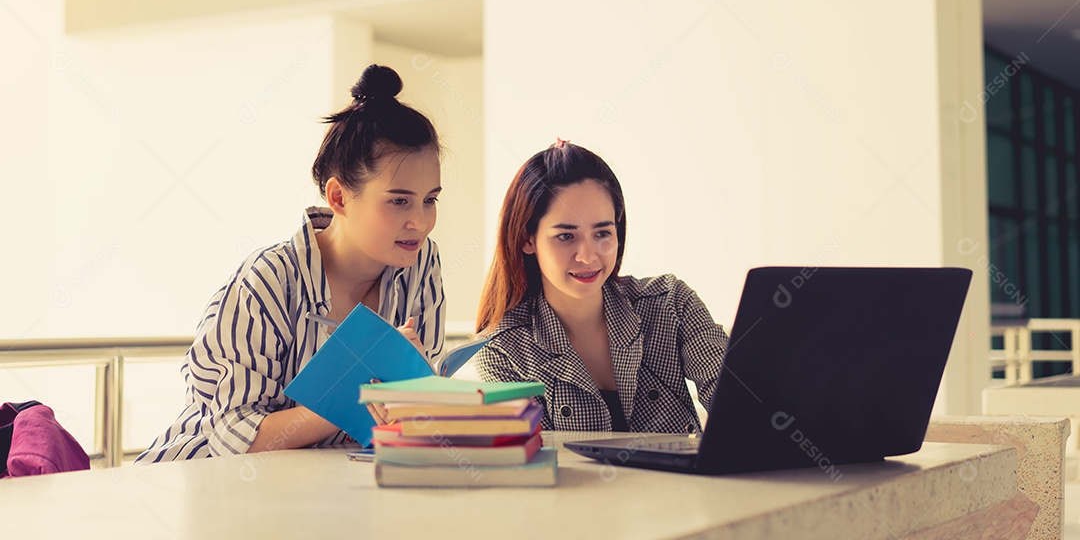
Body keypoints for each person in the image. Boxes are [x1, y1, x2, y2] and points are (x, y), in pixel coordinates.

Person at [137, 65, 445, 462]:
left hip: (327, 486)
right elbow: (235, 439)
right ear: (338, 198)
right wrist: (355, 391)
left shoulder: (421, 265)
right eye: (399, 200)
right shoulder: (268, 280)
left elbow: (410, 415)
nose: (420, 222)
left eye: (430, 200)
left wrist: (414, 396)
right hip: (204, 480)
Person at [474, 140, 728, 434]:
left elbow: (740, 404)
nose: (588, 256)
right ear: (527, 239)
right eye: (566, 236)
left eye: (602, 233)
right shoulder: (502, 350)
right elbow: (532, 455)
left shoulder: (671, 304)